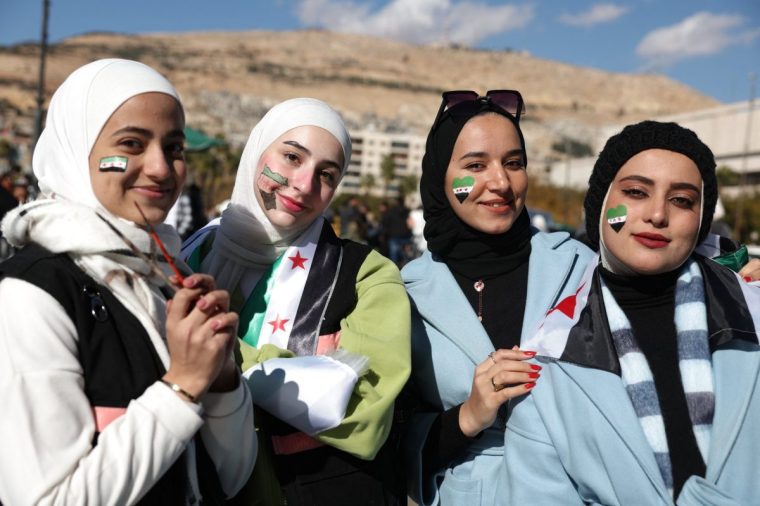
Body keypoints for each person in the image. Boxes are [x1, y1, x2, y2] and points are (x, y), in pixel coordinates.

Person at [0, 59, 256, 505]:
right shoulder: (32, 295)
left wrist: (222, 376)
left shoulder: (162, 276)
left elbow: (228, 478)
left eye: (174, 148)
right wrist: (182, 386)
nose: (160, 168)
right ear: (78, 150)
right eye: (132, 144)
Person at [505, 121, 760, 505]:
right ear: (602, 204)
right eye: (637, 192)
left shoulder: (751, 313)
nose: (657, 214)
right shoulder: (549, 355)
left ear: (701, 220)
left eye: (682, 200)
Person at [181, 98, 411, 505]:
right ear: (257, 148)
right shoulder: (191, 253)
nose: (305, 184)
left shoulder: (366, 275)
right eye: (291, 157)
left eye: (326, 174)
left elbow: (365, 416)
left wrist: (221, 354)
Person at [401, 90, 594, 505]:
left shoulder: (581, 267)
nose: (501, 183)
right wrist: (468, 416)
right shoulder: (406, 292)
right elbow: (392, 443)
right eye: (475, 165)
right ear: (440, 175)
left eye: (514, 163)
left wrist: (725, 278)